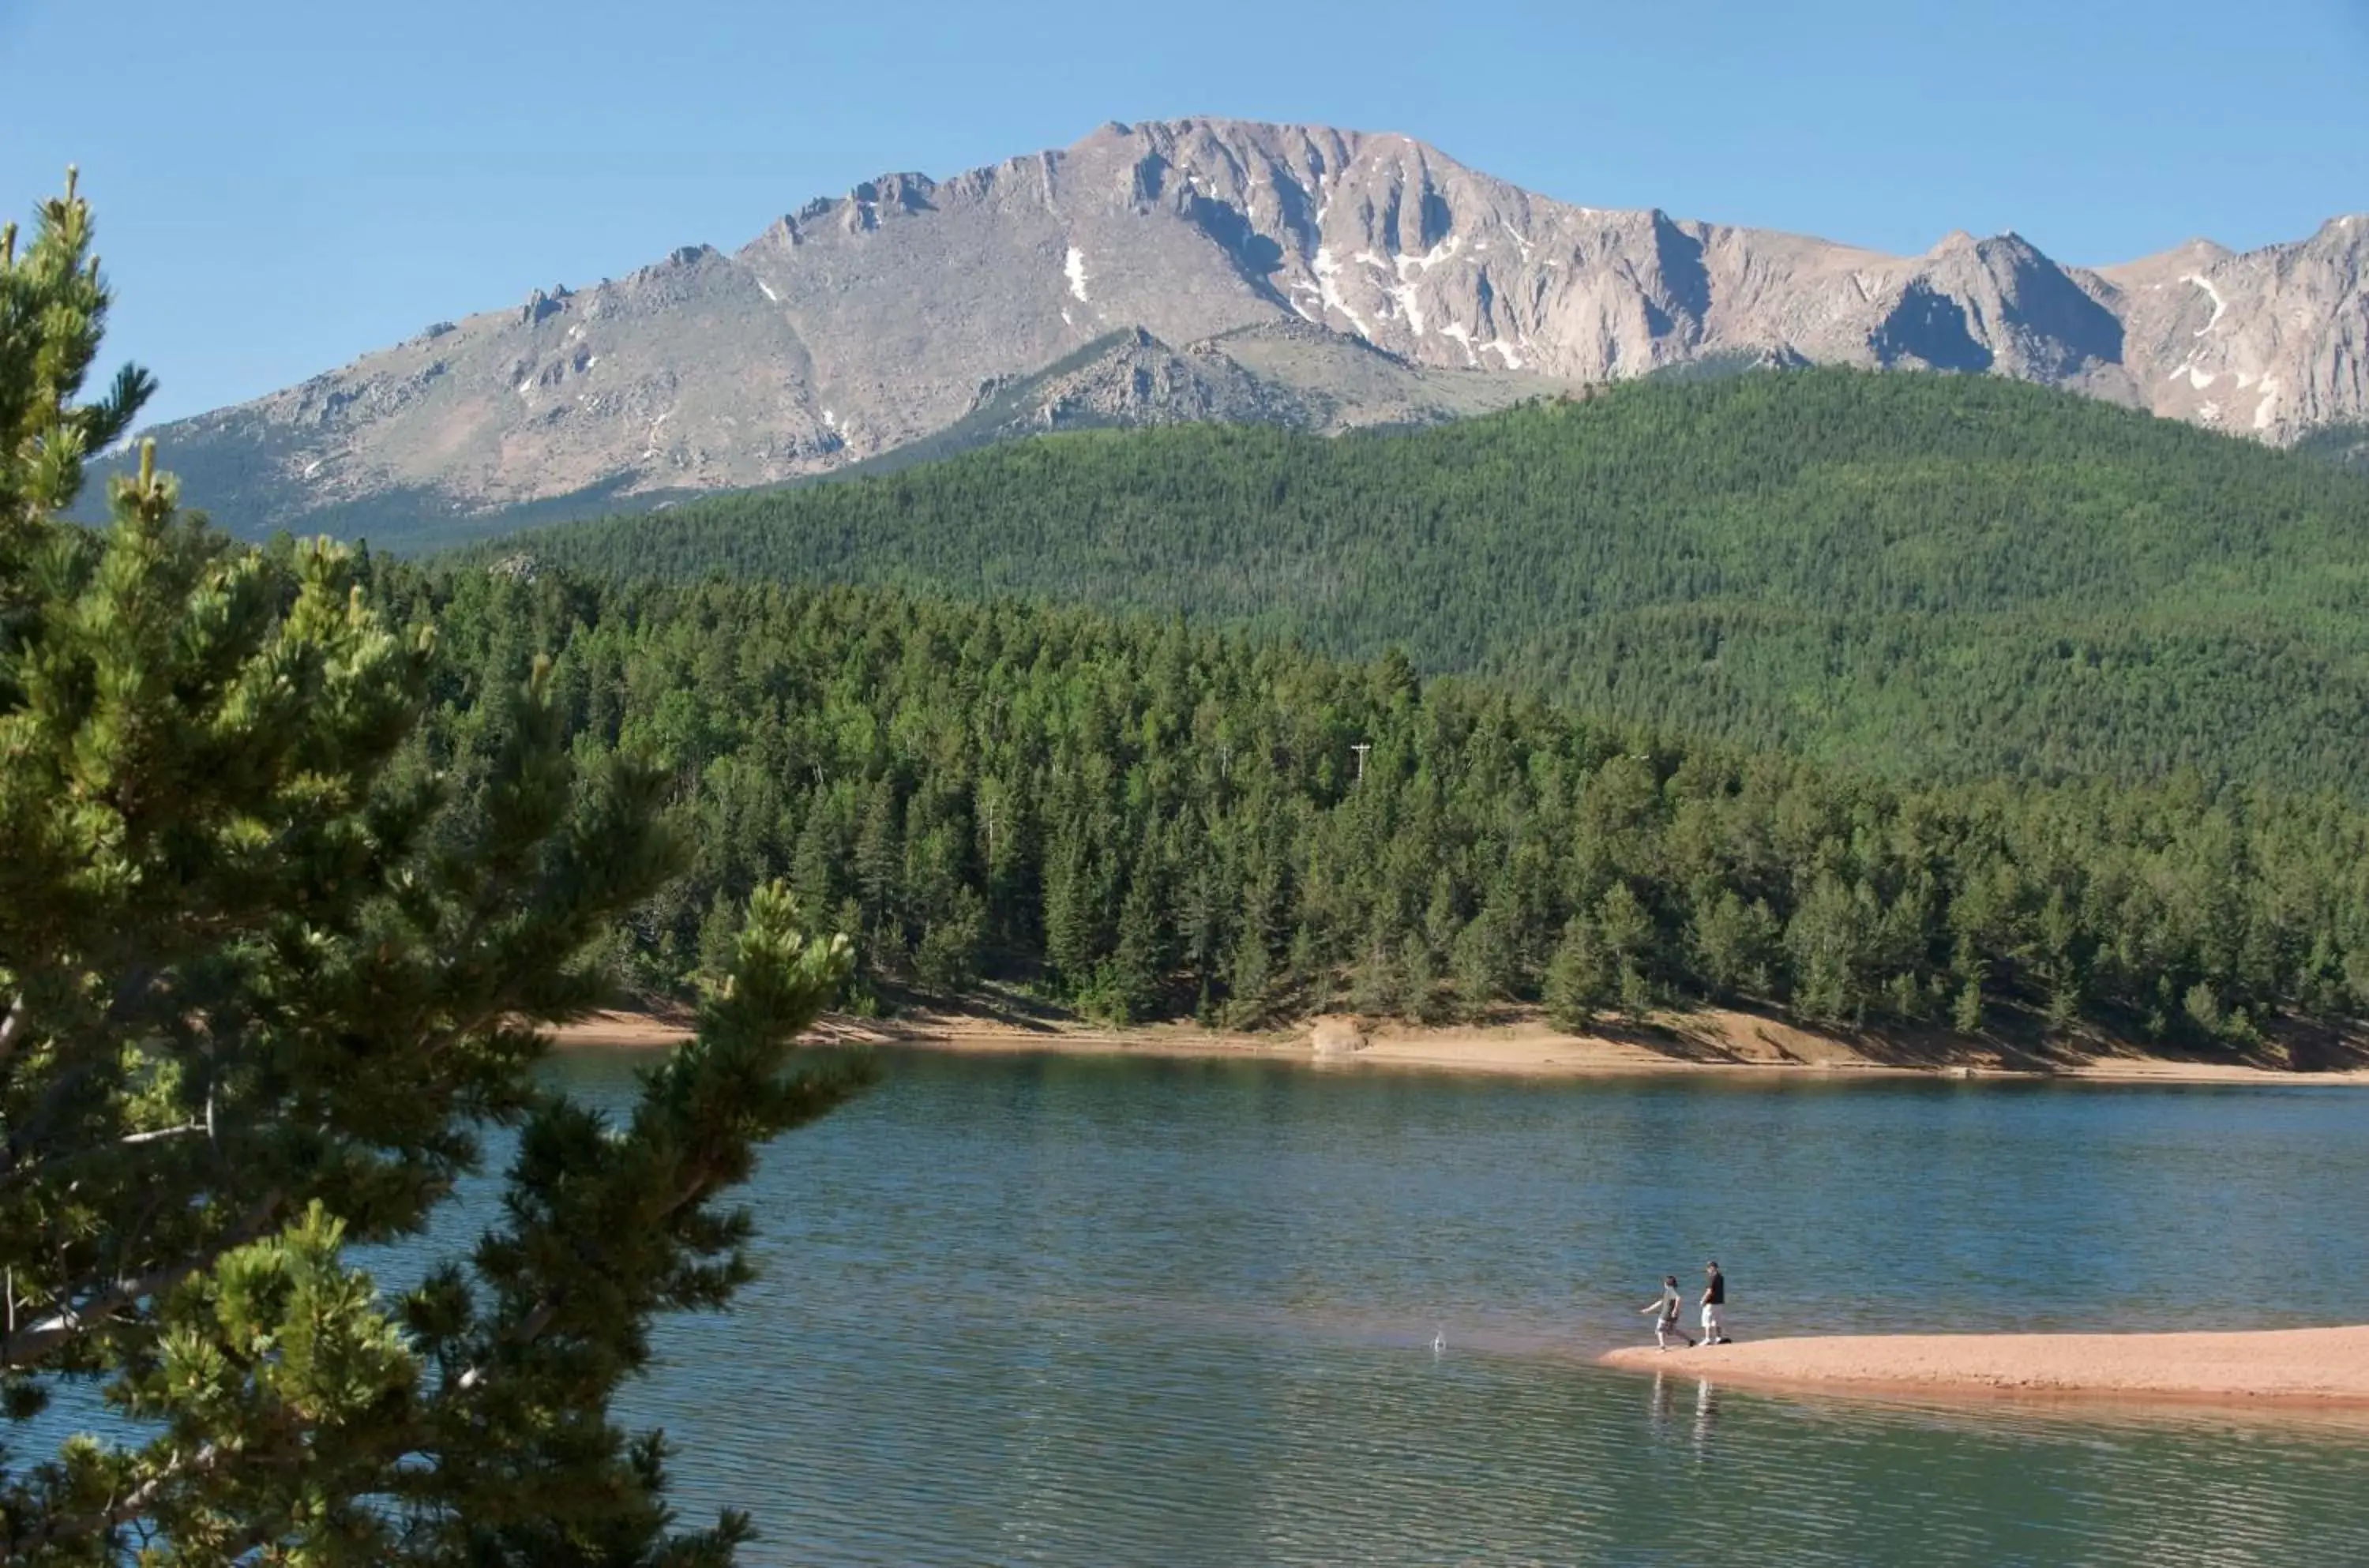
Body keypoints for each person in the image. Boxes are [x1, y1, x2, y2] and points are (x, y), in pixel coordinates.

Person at [1640, 1274, 1694, 1349]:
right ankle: (1690, 1340)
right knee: (1673, 1331)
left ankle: (1662, 1345)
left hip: (1666, 1315)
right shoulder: (1669, 1292)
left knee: (1659, 1329)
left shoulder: (1670, 1291)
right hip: (1673, 1317)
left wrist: (1675, 1309)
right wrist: (1649, 1309)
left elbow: (1678, 1298)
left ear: (1666, 1284)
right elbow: (1660, 1302)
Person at [1701, 1260, 1728, 1345]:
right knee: (1717, 1321)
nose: (1708, 1270)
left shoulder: (1712, 1277)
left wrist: (1703, 1300)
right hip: (1719, 1302)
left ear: (1712, 1268)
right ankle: (1719, 1338)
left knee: (1707, 1321)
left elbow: (1709, 1291)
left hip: (1711, 1303)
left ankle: (1707, 1339)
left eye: (1709, 1268)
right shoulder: (1721, 1277)